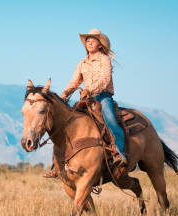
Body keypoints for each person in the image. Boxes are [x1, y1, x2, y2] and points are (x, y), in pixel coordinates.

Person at [44, 28, 126, 178]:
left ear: (100, 45)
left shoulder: (104, 60)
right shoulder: (82, 63)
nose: (89, 42)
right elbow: (75, 81)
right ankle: (56, 164)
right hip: (86, 99)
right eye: (87, 40)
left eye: (93, 40)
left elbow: (105, 79)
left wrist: (89, 89)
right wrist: (65, 92)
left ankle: (119, 153)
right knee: (66, 123)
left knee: (110, 119)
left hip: (103, 96)